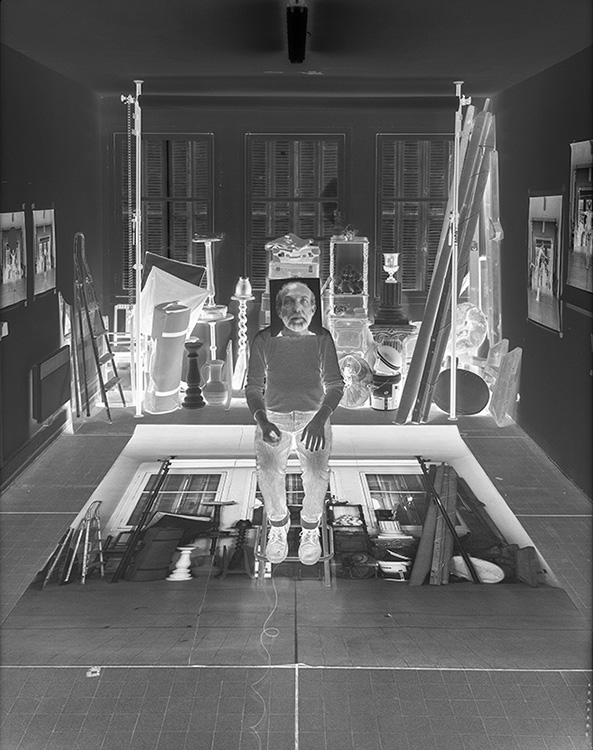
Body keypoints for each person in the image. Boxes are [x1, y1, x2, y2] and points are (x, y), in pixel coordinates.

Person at [245, 279, 344, 566]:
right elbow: (253, 388)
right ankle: (279, 524)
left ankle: (310, 529)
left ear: (313, 309)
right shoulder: (264, 340)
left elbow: (335, 385)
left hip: (314, 417)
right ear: (279, 310)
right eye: (289, 303)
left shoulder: (322, 338)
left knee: (316, 472)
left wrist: (320, 419)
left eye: (303, 302)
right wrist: (263, 421)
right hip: (272, 417)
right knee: (267, 470)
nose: (297, 309)